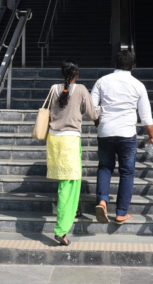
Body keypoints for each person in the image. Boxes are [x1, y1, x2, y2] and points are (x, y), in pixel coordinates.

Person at [90, 49, 153, 225]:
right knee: (127, 172)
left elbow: (92, 108)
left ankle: (102, 201)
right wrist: (152, 137)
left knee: (105, 167)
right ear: (133, 67)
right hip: (127, 134)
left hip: (105, 132)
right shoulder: (138, 85)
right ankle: (120, 213)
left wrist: (99, 124)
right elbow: (146, 116)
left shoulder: (102, 82)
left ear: (115, 65)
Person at [46, 61, 99, 246]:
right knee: (70, 184)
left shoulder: (53, 89)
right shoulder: (81, 89)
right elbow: (92, 114)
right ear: (76, 75)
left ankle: (73, 209)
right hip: (70, 141)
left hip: (53, 141)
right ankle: (61, 229)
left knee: (65, 182)